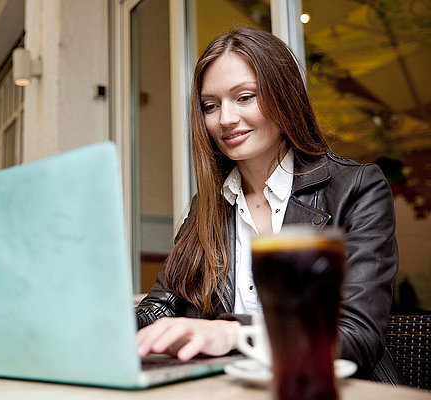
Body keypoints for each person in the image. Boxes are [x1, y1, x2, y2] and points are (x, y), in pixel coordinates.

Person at [135, 26, 400, 383]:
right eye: (210, 106)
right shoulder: (209, 205)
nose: (225, 119)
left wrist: (233, 333)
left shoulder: (357, 187)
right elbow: (160, 308)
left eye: (245, 97)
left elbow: (356, 336)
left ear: (284, 96)